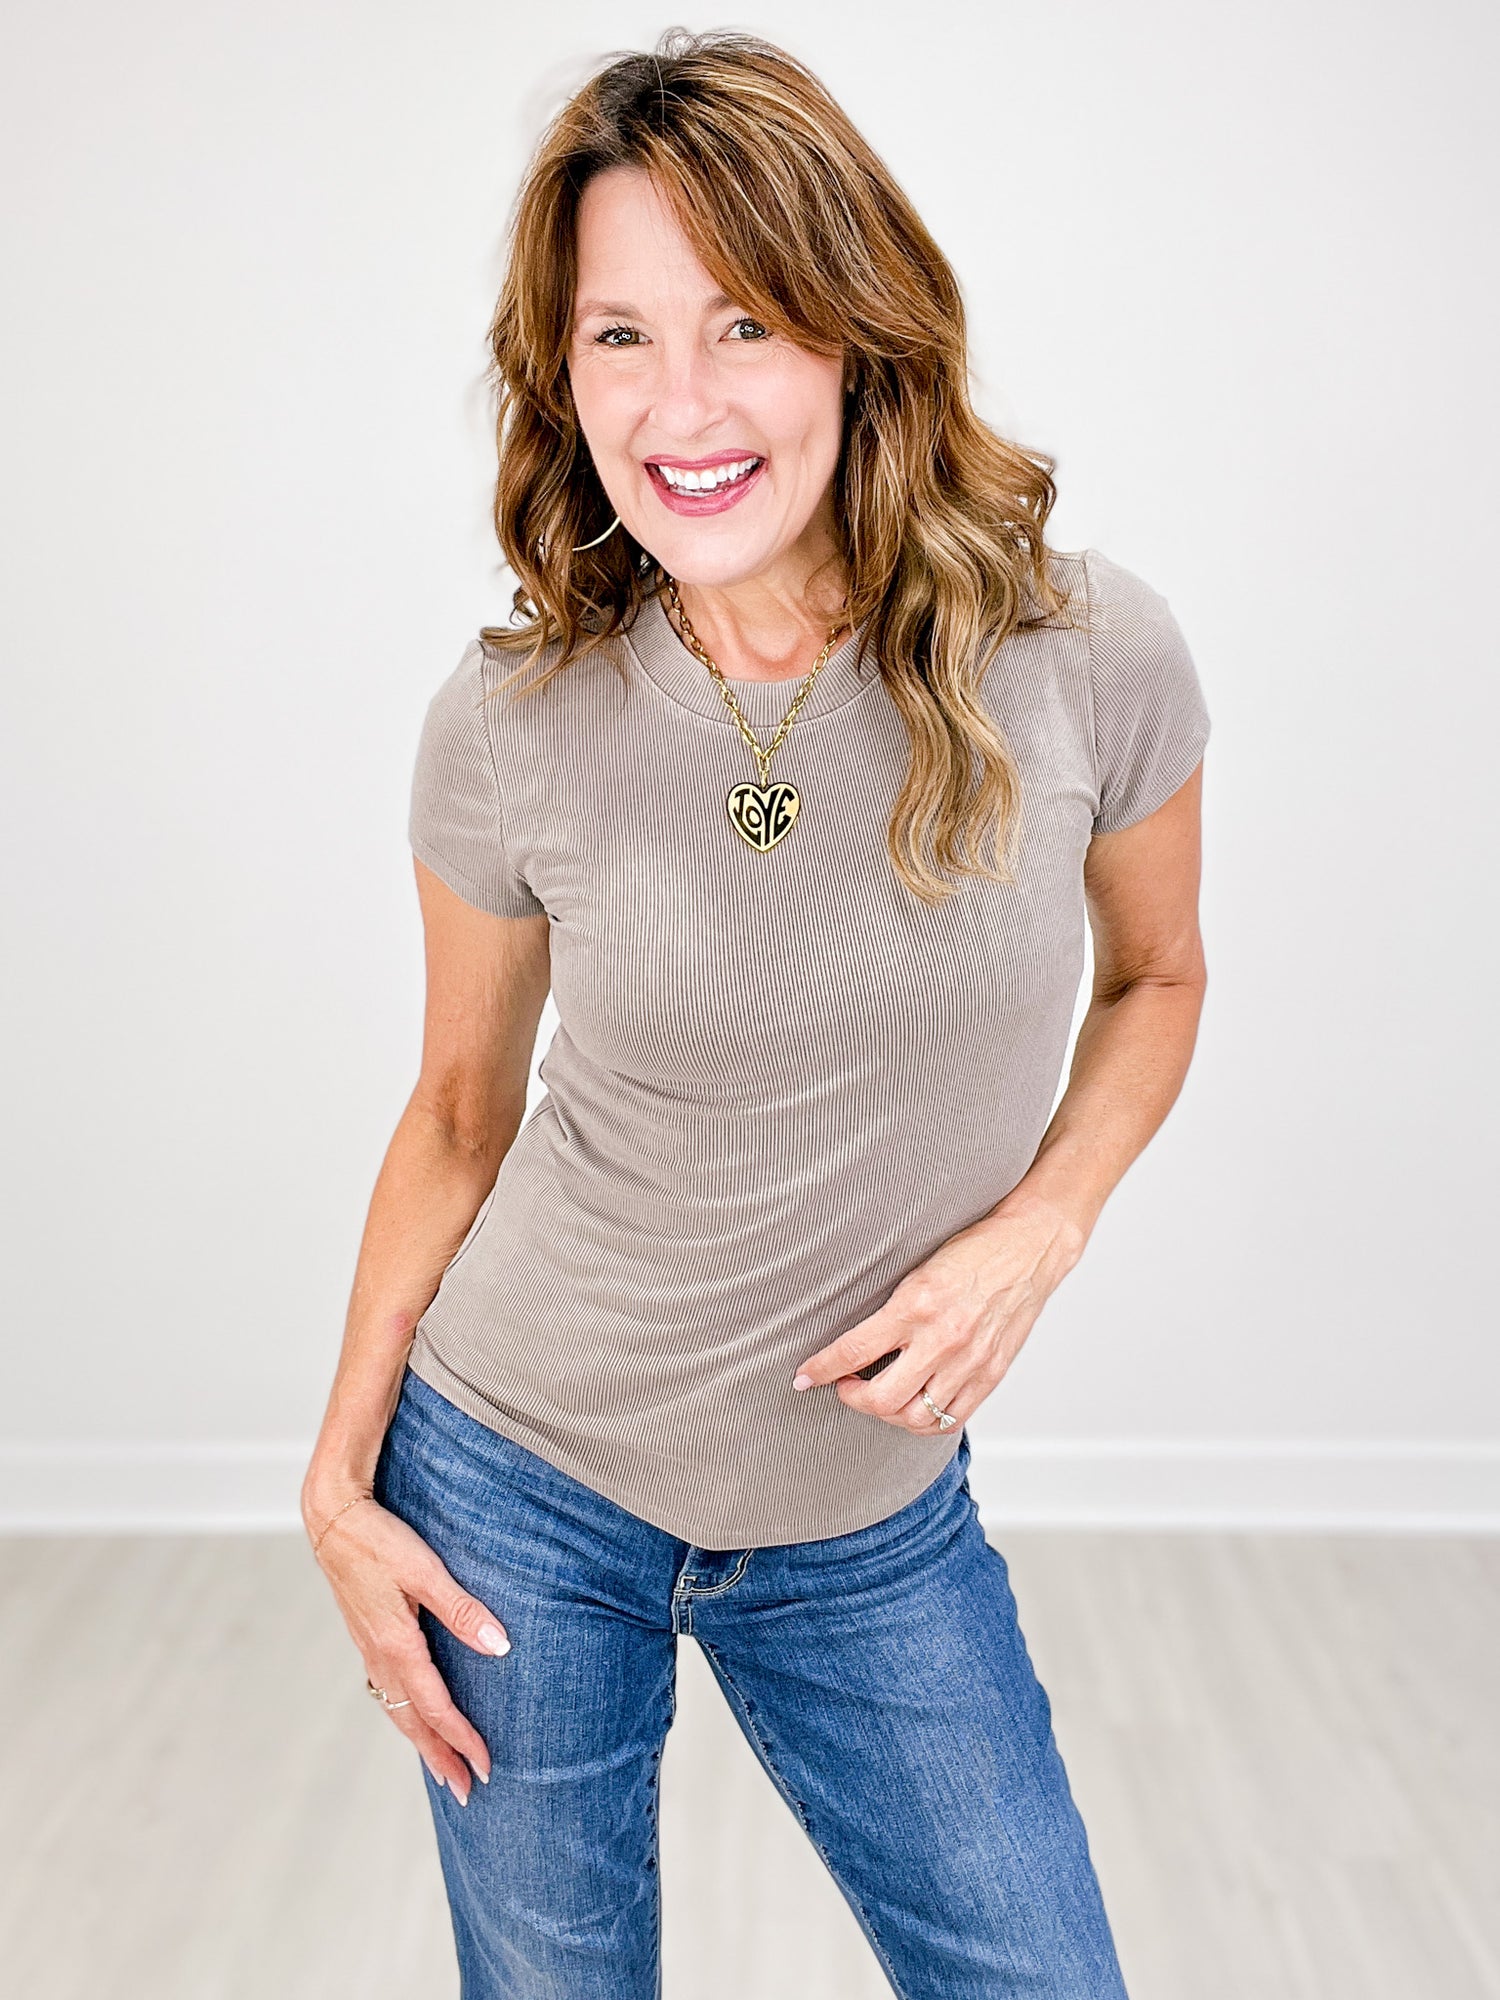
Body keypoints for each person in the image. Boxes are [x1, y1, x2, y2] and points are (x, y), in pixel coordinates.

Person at [301, 28, 1212, 1998]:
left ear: (855, 336)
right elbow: (458, 1110)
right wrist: (336, 1476)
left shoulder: (1081, 649)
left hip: (866, 1517)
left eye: (744, 323)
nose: (682, 402)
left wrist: (1039, 1231)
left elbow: (1162, 976)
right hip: (517, 1483)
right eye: (619, 336)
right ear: (561, 376)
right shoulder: (510, 722)